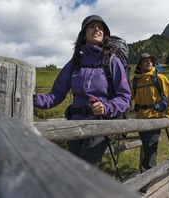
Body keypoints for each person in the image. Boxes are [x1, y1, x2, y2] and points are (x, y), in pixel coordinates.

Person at [33, 15, 131, 165]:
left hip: (99, 126)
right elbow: (56, 95)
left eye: (100, 27)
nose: (97, 29)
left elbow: (124, 98)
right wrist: (34, 99)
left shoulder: (112, 61)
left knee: (84, 173)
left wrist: (106, 107)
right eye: (92, 26)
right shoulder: (75, 62)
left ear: (104, 34)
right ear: (83, 34)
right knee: (73, 169)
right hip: (75, 126)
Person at [131, 53, 169, 172]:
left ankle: (147, 175)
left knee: (151, 147)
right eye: (145, 61)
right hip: (140, 119)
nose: (148, 62)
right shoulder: (135, 80)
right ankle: (148, 174)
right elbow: (128, 98)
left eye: (150, 60)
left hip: (155, 118)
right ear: (140, 65)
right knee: (147, 147)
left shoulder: (159, 78)